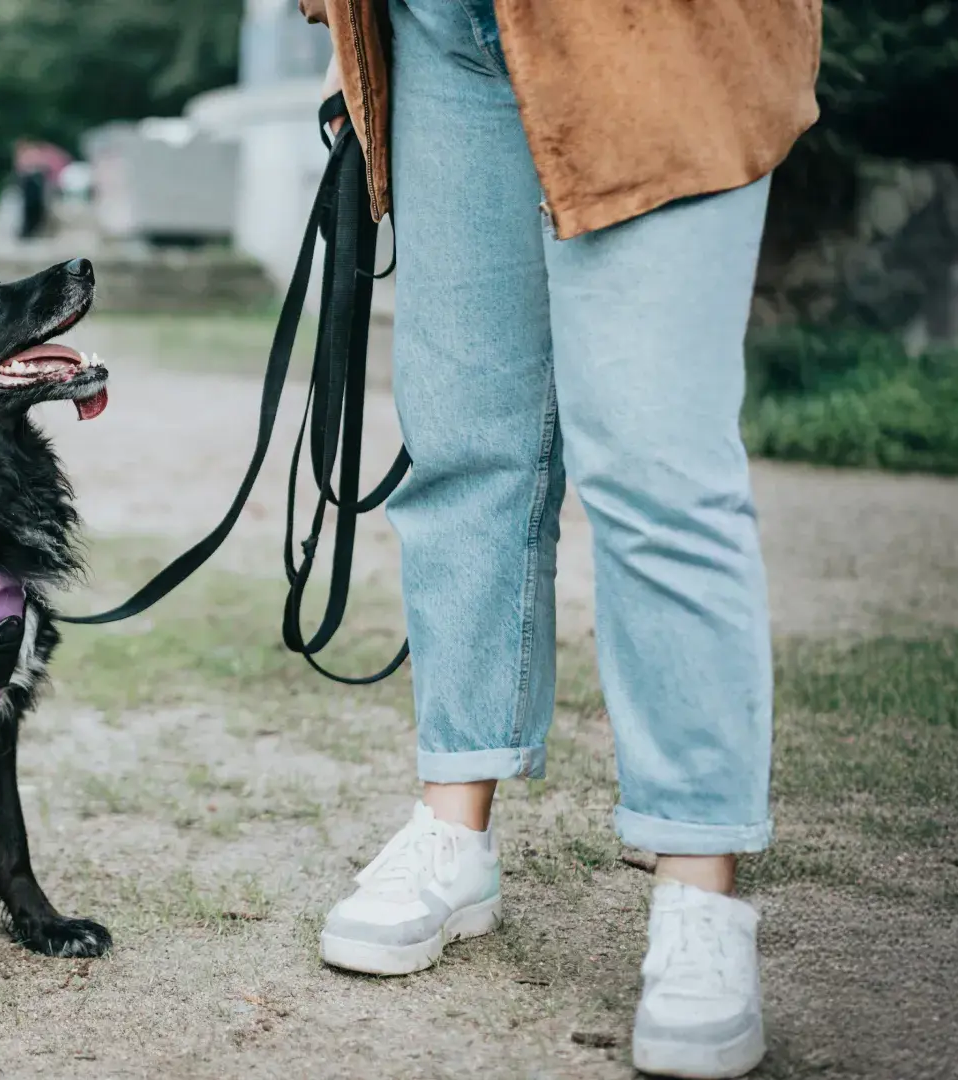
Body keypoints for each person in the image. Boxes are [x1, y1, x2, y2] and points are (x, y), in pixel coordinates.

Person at [298, 1, 820, 1077]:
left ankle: (699, 892)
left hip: (665, 31)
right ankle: (454, 826)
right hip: (440, 26)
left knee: (658, 468)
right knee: (464, 447)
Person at [11, 138, 73, 241]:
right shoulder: (42, 154)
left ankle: (32, 231)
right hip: (39, 187)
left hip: (40, 187)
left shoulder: (37, 155)